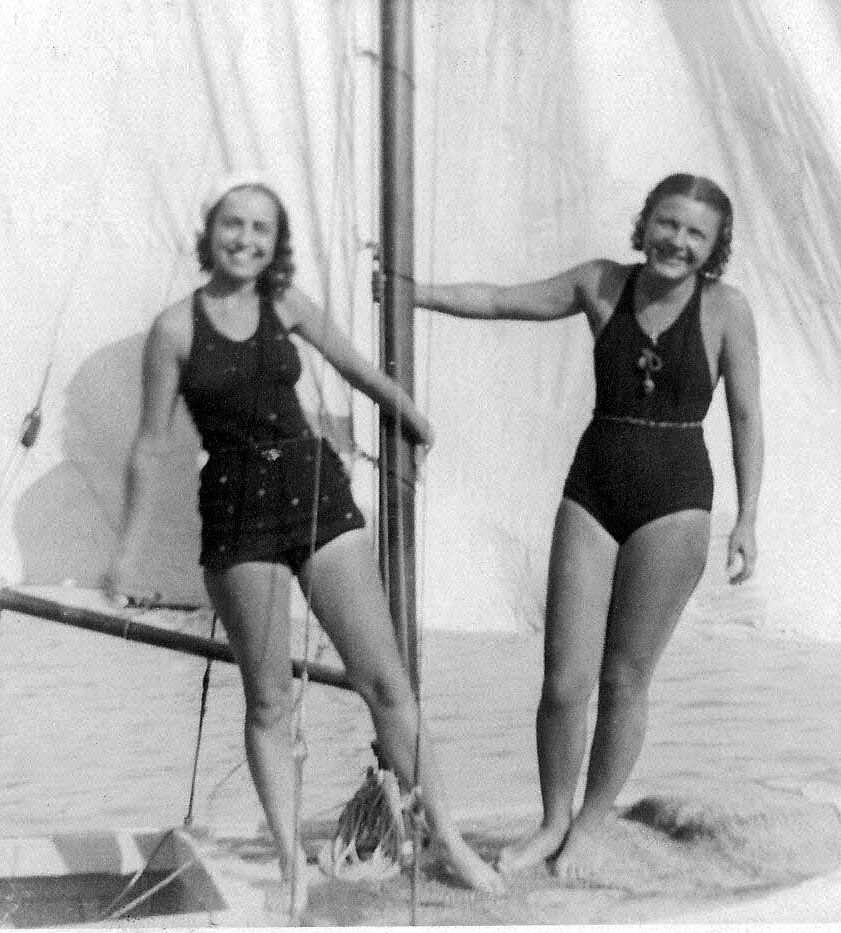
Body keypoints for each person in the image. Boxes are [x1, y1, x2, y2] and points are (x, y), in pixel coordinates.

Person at [104, 172, 504, 914]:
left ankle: (448, 837)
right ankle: (293, 867)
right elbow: (148, 446)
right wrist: (125, 554)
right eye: (233, 225)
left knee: (386, 683)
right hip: (236, 513)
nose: (245, 240)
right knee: (269, 701)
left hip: (314, 493)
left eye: (260, 229)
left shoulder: (284, 303)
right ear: (210, 232)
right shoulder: (173, 329)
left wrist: (408, 412)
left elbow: (354, 365)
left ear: (274, 243)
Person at [413, 173, 764, 879]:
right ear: (647, 223)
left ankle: (591, 822)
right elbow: (497, 301)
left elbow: (747, 416)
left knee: (626, 677)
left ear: (713, 245)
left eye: (695, 232)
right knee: (563, 678)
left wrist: (746, 519)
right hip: (593, 487)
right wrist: (410, 291)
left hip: (675, 500)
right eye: (667, 223)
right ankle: (551, 820)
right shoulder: (601, 283)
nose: (677, 240)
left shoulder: (726, 309)